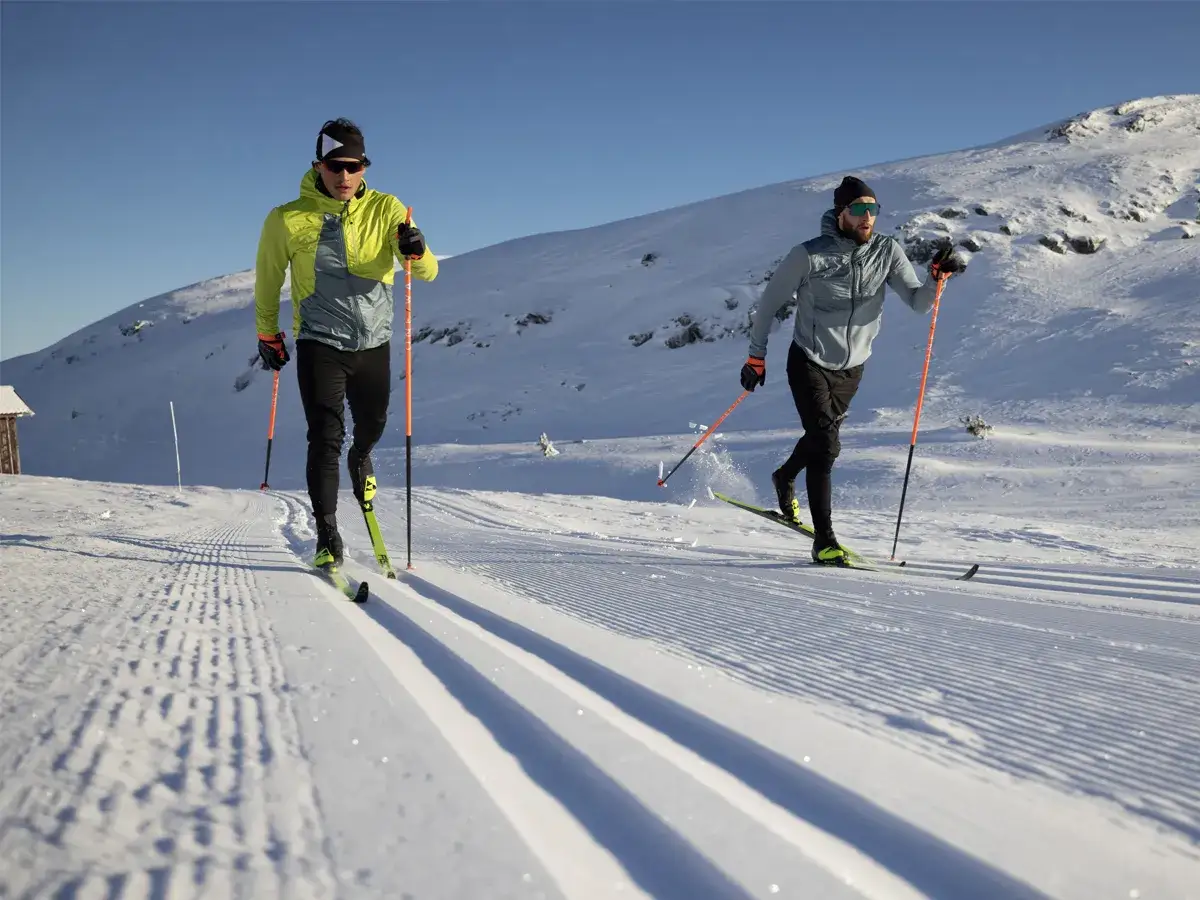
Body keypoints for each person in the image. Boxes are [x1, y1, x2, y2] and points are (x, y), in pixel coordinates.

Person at [740, 175, 964, 566]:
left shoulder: (887, 251)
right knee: (826, 447)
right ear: (840, 213)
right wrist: (755, 357)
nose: (867, 218)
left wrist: (935, 279)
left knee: (819, 438)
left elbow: (917, 302)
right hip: (809, 360)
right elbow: (768, 304)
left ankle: (785, 476)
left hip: (852, 370)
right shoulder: (808, 255)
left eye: (872, 210)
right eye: (858, 210)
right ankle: (824, 541)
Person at [254, 118, 438, 568]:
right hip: (320, 341)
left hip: (374, 343)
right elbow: (268, 278)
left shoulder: (388, 209)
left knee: (371, 427)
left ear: (362, 167)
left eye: (352, 166)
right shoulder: (286, 218)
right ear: (318, 165)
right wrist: (266, 331)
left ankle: (364, 458)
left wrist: (416, 248)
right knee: (325, 437)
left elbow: (427, 270)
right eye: (334, 166)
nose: (343, 176)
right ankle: (327, 533)